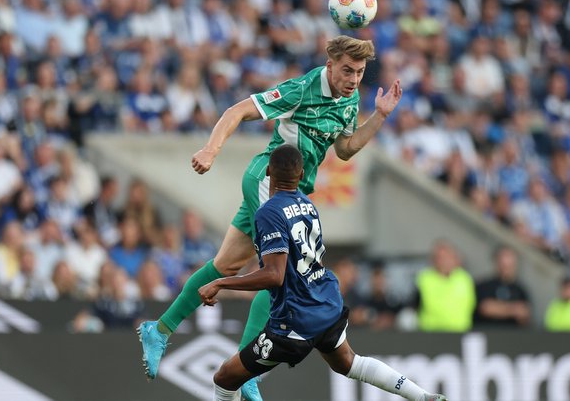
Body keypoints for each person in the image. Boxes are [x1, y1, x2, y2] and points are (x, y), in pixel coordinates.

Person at [137, 35, 403, 398]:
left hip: (292, 191)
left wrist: (380, 116)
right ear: (329, 66)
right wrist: (211, 149)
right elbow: (237, 111)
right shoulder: (303, 88)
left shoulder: (350, 98)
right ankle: (247, 370)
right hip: (268, 182)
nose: (353, 79)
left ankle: (160, 329)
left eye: (358, 72)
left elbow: (345, 149)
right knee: (283, 273)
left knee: (226, 266)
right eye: (346, 70)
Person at [197, 145, 446, 401]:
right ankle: (422, 396)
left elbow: (274, 275)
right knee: (349, 363)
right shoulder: (307, 203)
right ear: (301, 173)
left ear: (269, 171)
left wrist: (221, 282)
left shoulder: (268, 213)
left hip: (295, 319)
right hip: (325, 302)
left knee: (225, 377)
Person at [473, 247, 531, 328]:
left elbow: (524, 315)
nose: (506, 267)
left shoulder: (521, 290)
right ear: (497, 263)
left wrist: (500, 308)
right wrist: (514, 309)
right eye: (504, 264)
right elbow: (486, 308)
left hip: (511, 337)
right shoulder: (484, 285)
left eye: (510, 265)